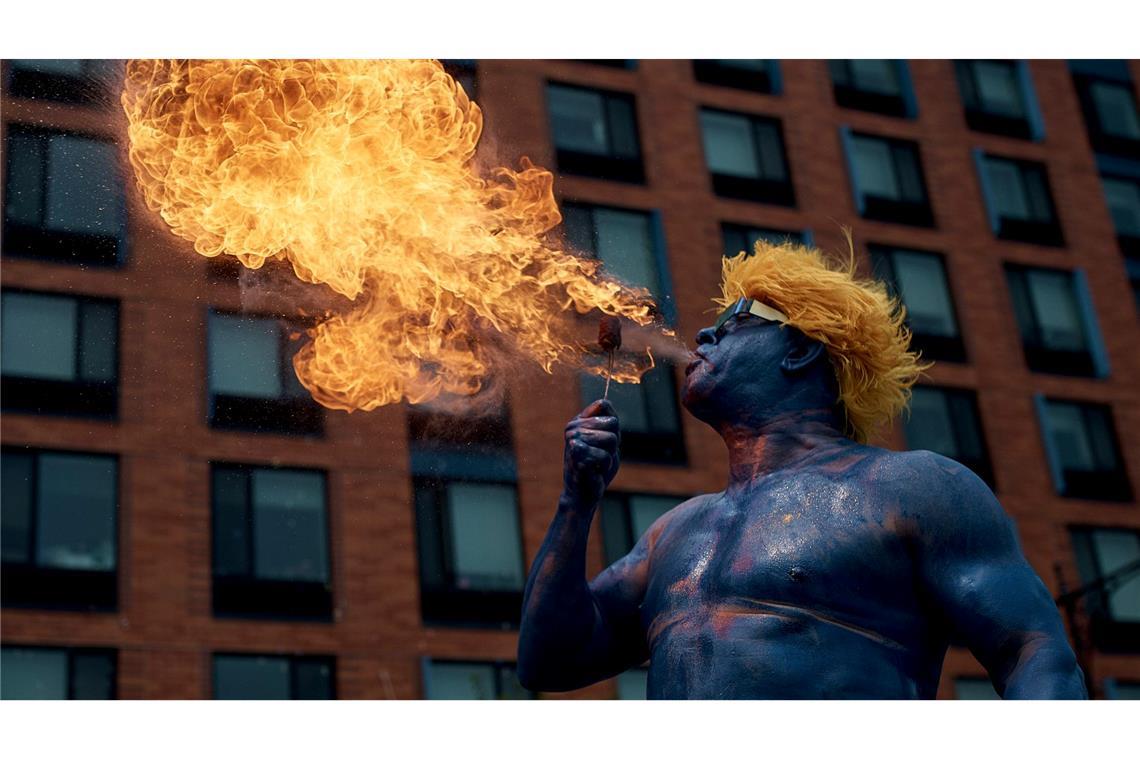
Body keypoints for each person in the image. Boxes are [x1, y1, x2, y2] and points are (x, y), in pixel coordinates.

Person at [517, 240, 1087, 699]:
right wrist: (577, 501)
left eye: (740, 318)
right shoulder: (674, 532)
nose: (706, 334)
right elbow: (547, 662)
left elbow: (1033, 652)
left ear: (802, 350)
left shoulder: (912, 489)